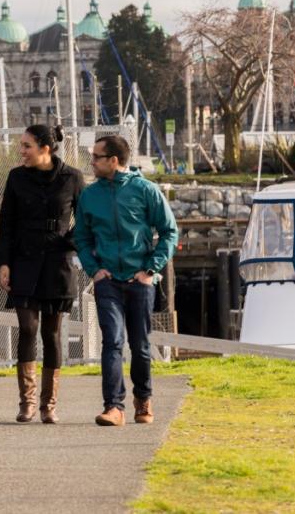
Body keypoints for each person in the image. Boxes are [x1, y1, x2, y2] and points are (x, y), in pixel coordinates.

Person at [73, 134, 177, 427]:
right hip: (107, 281)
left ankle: (143, 399)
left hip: (140, 281)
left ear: (114, 161)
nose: (91, 162)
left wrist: (150, 270)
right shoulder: (89, 196)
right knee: (113, 341)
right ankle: (113, 407)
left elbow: (169, 232)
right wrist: (94, 269)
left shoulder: (145, 191)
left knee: (141, 345)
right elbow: (80, 237)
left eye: (96, 157)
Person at [0, 124, 84, 423]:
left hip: (57, 264)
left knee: (51, 333)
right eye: (21, 146)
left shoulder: (72, 177)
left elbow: (84, 222)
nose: (21, 151)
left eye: (27, 146)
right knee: (28, 329)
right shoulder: (16, 177)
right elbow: (6, 223)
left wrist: (67, 243)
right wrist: (3, 263)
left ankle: (49, 405)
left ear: (45, 148)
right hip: (23, 261)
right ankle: (27, 403)